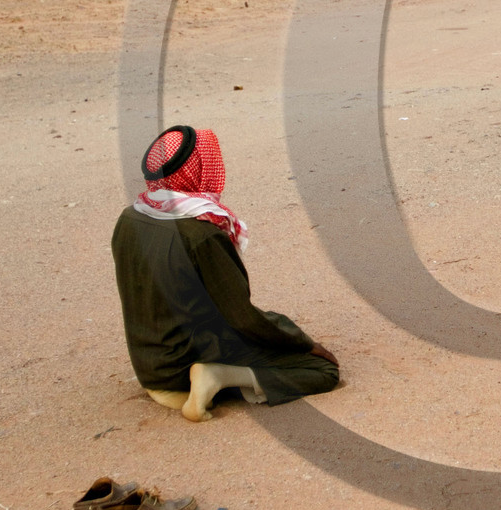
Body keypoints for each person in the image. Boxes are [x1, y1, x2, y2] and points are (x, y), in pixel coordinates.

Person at [110, 125, 339, 421]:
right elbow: (241, 317)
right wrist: (303, 341)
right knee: (323, 371)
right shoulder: (200, 234)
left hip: (150, 362)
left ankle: (218, 374)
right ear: (199, 170)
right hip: (183, 364)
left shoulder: (130, 217)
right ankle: (217, 376)